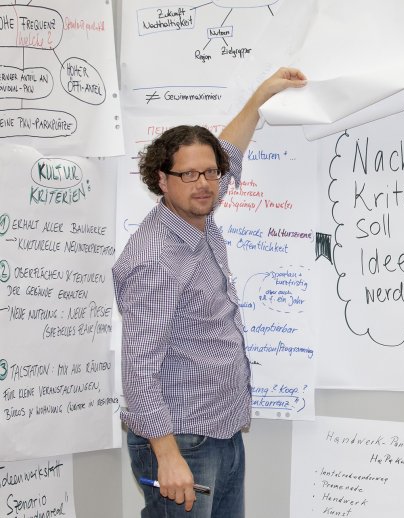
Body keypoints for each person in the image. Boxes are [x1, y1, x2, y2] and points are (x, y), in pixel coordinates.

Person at [113, 68, 307, 517]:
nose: (203, 183)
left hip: (221, 429)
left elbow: (228, 150)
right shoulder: (156, 259)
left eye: (210, 172)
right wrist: (166, 455)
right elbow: (139, 367)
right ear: (162, 180)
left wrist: (261, 96)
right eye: (188, 174)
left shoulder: (195, 214)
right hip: (181, 442)